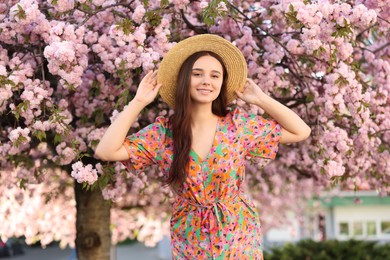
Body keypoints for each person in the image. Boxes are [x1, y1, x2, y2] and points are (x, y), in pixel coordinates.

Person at [95, 34, 311, 259]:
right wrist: (137, 102)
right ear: (184, 80)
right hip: (190, 236)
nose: (206, 81)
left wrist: (261, 99)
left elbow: (301, 131)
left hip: (238, 234)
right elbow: (106, 151)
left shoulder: (237, 125)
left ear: (221, 83)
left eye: (214, 75)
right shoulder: (163, 133)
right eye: (197, 74)